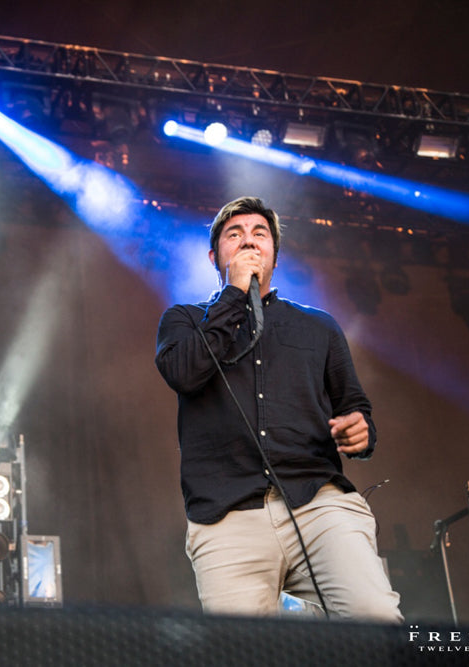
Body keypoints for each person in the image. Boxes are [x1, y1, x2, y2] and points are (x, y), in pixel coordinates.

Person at [154, 196, 402, 622]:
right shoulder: (184, 320)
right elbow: (183, 373)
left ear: (275, 254)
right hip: (227, 513)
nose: (249, 242)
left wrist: (361, 432)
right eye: (235, 235)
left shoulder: (318, 325)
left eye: (259, 234)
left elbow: (355, 407)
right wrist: (233, 293)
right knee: (241, 650)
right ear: (215, 256)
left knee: (376, 616)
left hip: (317, 503)